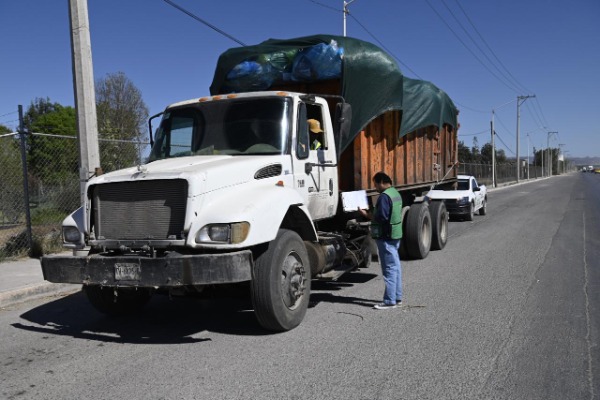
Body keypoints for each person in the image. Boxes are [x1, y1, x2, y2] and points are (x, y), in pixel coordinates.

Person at [359, 172, 403, 310]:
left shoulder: (384, 196)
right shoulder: (395, 193)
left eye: (376, 184)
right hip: (395, 234)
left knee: (389, 269)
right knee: (395, 267)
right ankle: (397, 297)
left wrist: (367, 214)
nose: (375, 187)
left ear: (382, 182)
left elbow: (382, 217)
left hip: (385, 236)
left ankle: (389, 301)